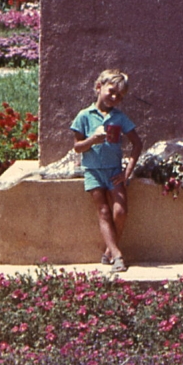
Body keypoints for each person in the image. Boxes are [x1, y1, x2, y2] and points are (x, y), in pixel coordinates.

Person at [71, 67, 143, 273]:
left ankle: (109, 250)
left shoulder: (119, 118)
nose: (114, 97)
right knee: (103, 211)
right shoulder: (84, 116)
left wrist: (127, 172)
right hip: (93, 170)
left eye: (119, 96)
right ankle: (118, 256)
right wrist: (92, 139)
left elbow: (137, 144)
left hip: (114, 170)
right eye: (111, 91)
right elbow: (77, 146)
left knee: (120, 211)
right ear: (98, 87)